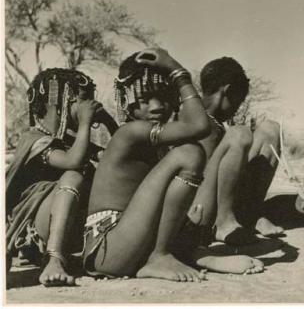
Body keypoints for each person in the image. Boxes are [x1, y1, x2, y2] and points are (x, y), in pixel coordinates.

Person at [83, 48, 263, 282]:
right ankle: (160, 256)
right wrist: (179, 74)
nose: (157, 106)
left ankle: (192, 256)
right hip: (108, 249)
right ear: (127, 101)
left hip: (133, 243)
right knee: (190, 154)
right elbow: (200, 126)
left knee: (192, 178)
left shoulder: (155, 141)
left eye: (163, 96)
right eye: (145, 99)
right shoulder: (130, 133)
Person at [6, 68, 116, 287]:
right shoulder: (34, 139)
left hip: (72, 231)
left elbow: (115, 160)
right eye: (84, 100)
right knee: (73, 176)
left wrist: (108, 122)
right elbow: (71, 162)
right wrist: (86, 124)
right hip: (37, 235)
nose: (90, 106)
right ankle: (54, 259)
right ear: (60, 103)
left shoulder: (70, 140)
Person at [192, 56, 283, 246]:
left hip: (217, 195)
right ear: (228, 91)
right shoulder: (194, 117)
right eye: (238, 101)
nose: (237, 108)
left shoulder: (214, 121)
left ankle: (251, 214)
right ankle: (223, 222)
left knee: (270, 129)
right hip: (198, 207)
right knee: (239, 134)